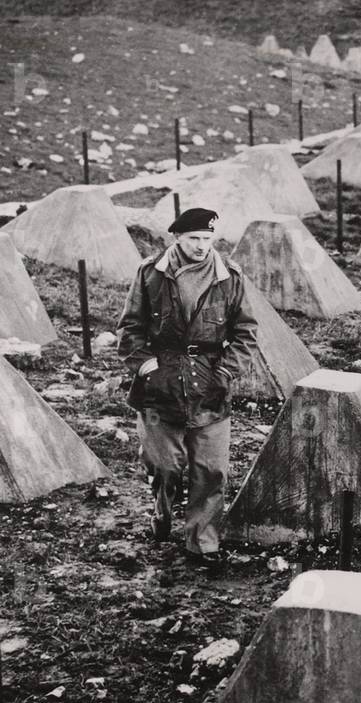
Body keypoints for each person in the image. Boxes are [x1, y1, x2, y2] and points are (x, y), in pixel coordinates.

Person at [117, 208, 258, 569]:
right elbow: (130, 329)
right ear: (176, 237)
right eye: (194, 238)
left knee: (210, 471)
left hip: (209, 381)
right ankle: (162, 509)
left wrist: (224, 375)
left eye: (207, 239)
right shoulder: (152, 274)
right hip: (161, 383)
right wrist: (150, 370)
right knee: (166, 466)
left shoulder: (229, 277)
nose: (201, 246)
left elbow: (245, 335)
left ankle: (202, 542)